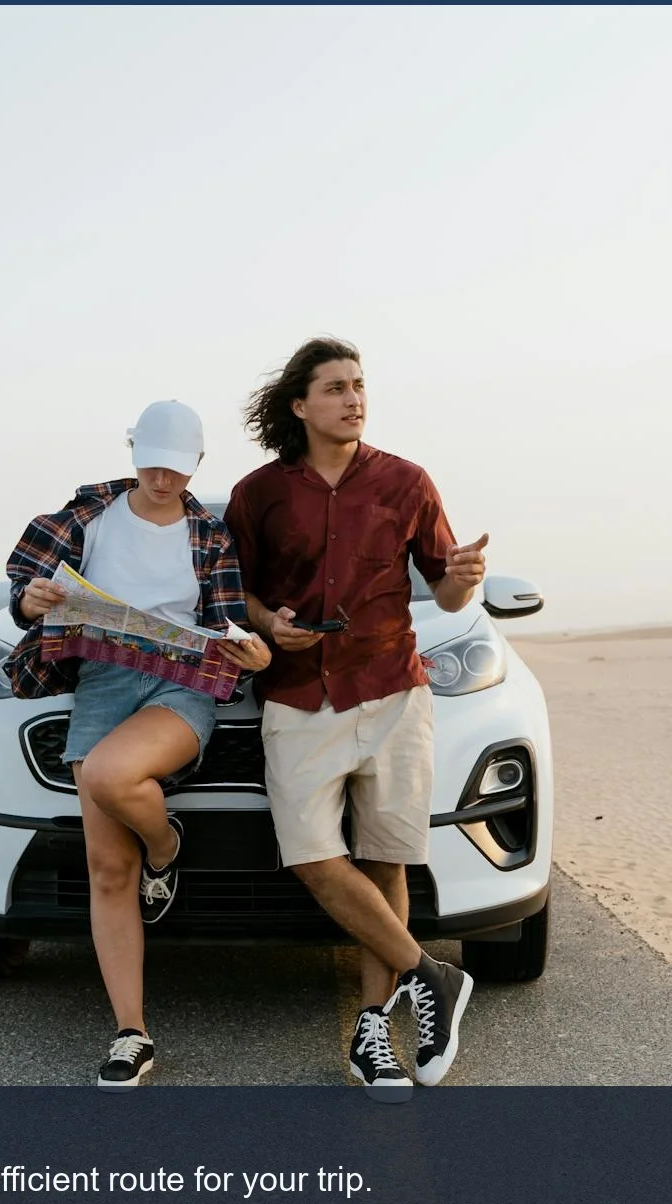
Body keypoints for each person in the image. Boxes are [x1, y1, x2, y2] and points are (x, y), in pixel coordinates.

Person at [224, 339, 489, 1101]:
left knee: (385, 857)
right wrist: (272, 621)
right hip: (300, 694)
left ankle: (375, 1027)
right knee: (311, 857)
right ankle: (431, 973)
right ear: (299, 404)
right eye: (335, 388)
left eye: (359, 386)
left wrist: (462, 579)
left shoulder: (408, 481)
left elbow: (444, 595)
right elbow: (233, 592)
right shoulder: (257, 493)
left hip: (392, 688)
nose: (353, 398)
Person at [6, 400, 271, 1088]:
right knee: (108, 872)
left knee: (107, 774)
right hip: (102, 681)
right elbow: (25, 587)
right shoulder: (88, 514)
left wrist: (250, 651)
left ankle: (166, 845)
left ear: (198, 465)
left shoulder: (208, 534)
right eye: (152, 462)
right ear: (132, 451)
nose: (163, 477)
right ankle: (132, 1032)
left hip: (181, 686)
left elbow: (227, 624)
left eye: (177, 468)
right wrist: (30, 602)